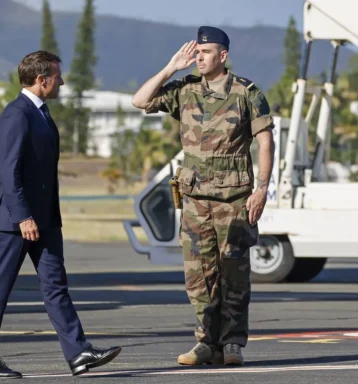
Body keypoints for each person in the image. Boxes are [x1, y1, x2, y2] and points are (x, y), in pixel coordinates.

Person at [132, 26, 274, 366]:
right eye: (196, 52)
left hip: (234, 200)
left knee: (233, 274)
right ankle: (205, 343)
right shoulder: (185, 90)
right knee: (199, 276)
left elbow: (265, 141)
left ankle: (233, 343)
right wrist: (170, 68)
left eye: (205, 53)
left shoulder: (246, 93)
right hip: (195, 200)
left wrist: (263, 188)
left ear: (222, 56)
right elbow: (139, 100)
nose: (198, 58)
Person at [0, 51, 121, 378]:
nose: (62, 81)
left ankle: (79, 353)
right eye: (57, 76)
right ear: (42, 80)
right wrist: (23, 216)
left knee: (56, 286)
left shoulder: (40, 112)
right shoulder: (17, 114)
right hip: (15, 223)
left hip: (45, 221)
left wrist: (44, 216)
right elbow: (7, 171)